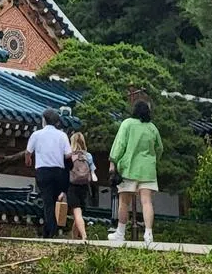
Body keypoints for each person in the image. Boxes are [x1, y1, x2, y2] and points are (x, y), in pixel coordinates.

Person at [108, 100, 163, 245]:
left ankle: (120, 233)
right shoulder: (152, 128)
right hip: (148, 169)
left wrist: (113, 161)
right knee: (146, 202)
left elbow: (120, 144)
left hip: (129, 168)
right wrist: (153, 160)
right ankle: (149, 234)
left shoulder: (127, 124)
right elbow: (159, 148)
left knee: (124, 202)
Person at [26, 107, 72, 238]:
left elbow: (28, 152)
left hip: (43, 170)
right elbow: (68, 155)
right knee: (53, 200)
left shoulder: (37, 134)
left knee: (47, 201)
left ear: (44, 120)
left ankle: (51, 230)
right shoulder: (62, 135)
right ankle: (50, 228)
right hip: (58, 171)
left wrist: (28, 160)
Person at [66, 132, 97, 240]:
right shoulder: (87, 156)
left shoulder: (70, 155)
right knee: (78, 214)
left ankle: (84, 236)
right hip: (84, 186)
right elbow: (93, 170)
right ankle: (74, 237)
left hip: (72, 186)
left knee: (77, 213)